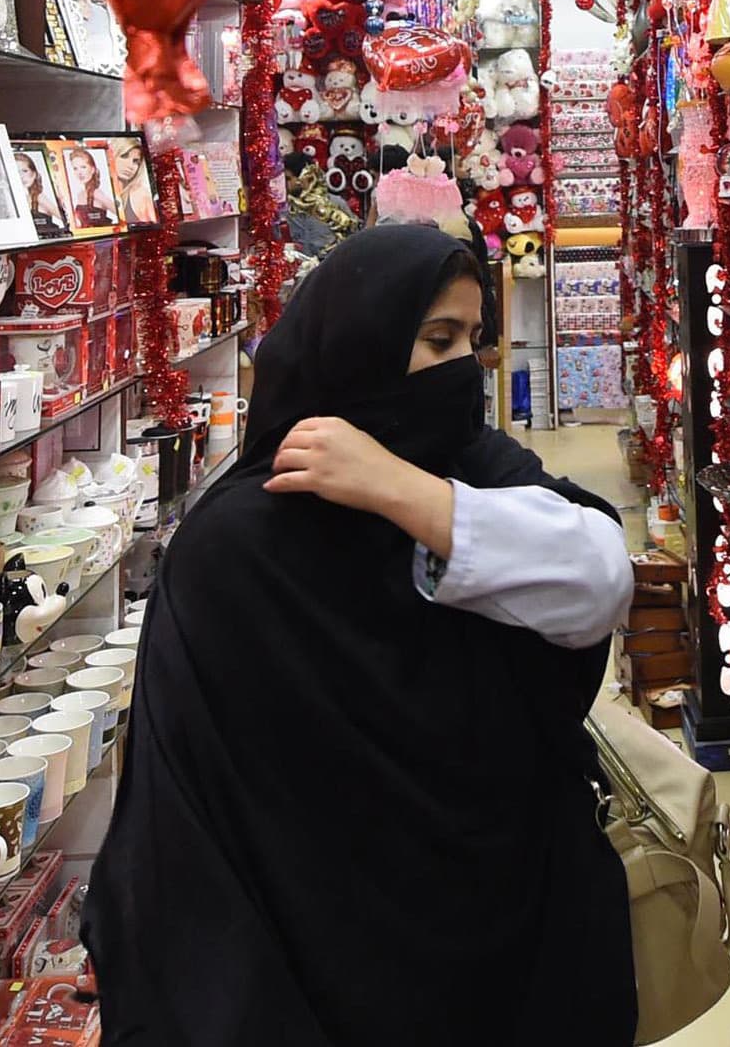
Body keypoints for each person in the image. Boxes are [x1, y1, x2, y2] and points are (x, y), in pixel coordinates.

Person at [83, 224, 636, 1047]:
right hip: (296, 972)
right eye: (435, 338)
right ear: (358, 338)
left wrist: (402, 490)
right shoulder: (234, 546)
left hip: (504, 947)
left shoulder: (472, 466)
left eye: (474, 343)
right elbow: (187, 819)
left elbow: (598, 577)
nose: (461, 368)